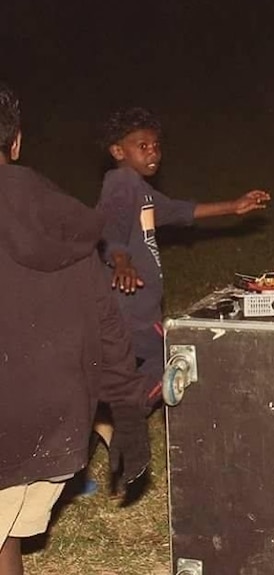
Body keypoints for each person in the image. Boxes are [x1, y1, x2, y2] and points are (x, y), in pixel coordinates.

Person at [0, 84, 152, 575]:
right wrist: (128, 416)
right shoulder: (63, 216)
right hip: (56, 420)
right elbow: (105, 316)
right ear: (16, 142)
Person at [96, 107, 271, 407]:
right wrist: (121, 259)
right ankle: (130, 407)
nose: (154, 153)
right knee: (175, 353)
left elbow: (181, 211)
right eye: (143, 146)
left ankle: (109, 411)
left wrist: (234, 206)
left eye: (156, 146)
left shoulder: (142, 191)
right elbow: (111, 222)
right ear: (118, 150)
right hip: (130, 303)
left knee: (150, 358)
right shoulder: (121, 182)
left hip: (134, 305)